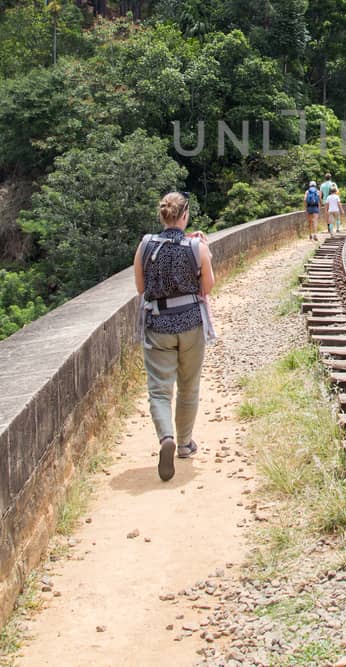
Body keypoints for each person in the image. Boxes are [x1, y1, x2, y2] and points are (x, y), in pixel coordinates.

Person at [133, 192, 215, 482]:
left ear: (162, 216)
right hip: (191, 323)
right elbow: (207, 287)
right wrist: (201, 248)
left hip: (158, 325)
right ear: (185, 216)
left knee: (159, 390)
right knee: (188, 386)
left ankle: (165, 436)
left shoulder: (145, 245)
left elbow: (141, 288)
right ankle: (183, 443)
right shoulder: (196, 247)